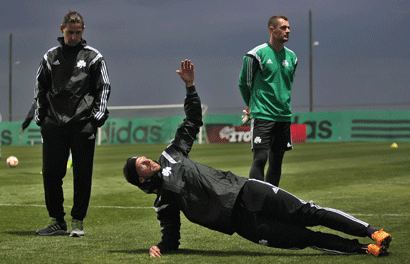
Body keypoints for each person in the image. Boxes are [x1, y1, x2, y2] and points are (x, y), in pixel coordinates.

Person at [123, 60, 392, 258]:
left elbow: (193, 121)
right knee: (304, 238)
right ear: (142, 178)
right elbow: (172, 235)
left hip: (247, 190)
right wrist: (161, 246)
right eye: (143, 165)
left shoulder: (171, 154)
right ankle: (364, 249)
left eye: (146, 159)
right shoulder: (164, 202)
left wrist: (190, 87)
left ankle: (371, 231)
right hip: (243, 224)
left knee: (308, 213)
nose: (150, 162)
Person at [34, 11, 111, 237]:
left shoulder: (93, 57)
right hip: (54, 124)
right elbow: (40, 87)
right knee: (50, 173)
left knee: (82, 175)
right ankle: (57, 221)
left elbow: (103, 86)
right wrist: (40, 114)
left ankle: (77, 221)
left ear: (83, 31)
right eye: (70, 32)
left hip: (82, 124)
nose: (74, 37)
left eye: (78, 32)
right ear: (62, 29)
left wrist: (98, 114)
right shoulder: (50, 57)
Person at [238, 15, 298, 186]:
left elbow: (287, 84)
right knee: (261, 157)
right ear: (272, 30)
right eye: (283, 27)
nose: (287, 31)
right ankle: (255, 201)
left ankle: (271, 201)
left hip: (283, 116)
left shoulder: (293, 57)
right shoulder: (255, 55)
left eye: (288, 27)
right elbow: (244, 83)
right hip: (263, 114)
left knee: (277, 160)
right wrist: (251, 106)